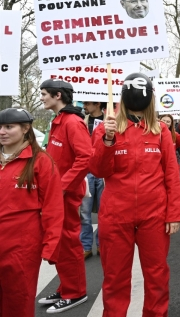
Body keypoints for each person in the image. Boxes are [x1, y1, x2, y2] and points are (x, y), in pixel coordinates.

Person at [89, 72, 180, 315]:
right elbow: (98, 170)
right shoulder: (106, 129)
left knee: (157, 276)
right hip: (115, 215)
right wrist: (107, 140)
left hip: (153, 215)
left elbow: (171, 174)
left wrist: (174, 213)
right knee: (115, 279)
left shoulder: (161, 130)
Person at [0, 108, 64, 317]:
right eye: (0, 127)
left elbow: (53, 207)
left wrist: (51, 246)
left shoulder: (41, 161)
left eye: (9, 127)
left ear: (26, 128)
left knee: (18, 298)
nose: (2, 131)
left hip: (21, 245)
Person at [38, 79, 92, 313]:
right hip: (57, 193)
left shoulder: (72, 122)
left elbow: (86, 158)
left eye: (43, 94)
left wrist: (61, 186)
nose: (41, 98)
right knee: (60, 242)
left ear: (57, 95)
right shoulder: (59, 121)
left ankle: (75, 292)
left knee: (68, 243)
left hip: (65, 194)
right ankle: (66, 286)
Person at [81, 101, 106, 259]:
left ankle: (101, 244)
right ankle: (86, 246)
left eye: (87, 103)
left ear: (97, 104)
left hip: (103, 172)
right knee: (84, 212)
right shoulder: (81, 121)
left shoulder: (110, 120)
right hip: (87, 171)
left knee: (104, 211)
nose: (84, 106)